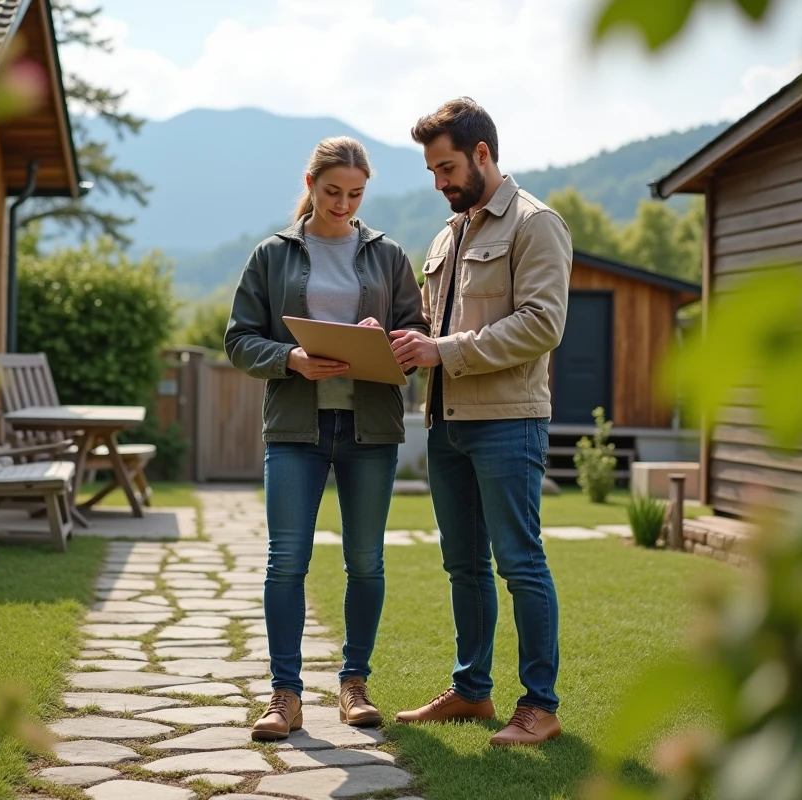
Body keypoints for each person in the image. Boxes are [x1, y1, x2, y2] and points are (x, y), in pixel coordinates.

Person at [225, 136, 428, 741]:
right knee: (286, 559)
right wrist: (290, 358)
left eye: (356, 194)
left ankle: (354, 684)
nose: (344, 204)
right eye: (333, 191)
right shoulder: (272, 254)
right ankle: (284, 696)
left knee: (365, 559)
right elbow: (238, 339)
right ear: (310, 185)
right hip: (295, 429)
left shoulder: (386, 255)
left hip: (369, 428)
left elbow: (415, 334)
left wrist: (385, 335)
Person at [389, 98, 573, 747]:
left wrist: (445, 351)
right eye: (433, 170)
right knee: (462, 565)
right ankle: (472, 692)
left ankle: (540, 706)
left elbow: (542, 323)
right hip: (446, 422)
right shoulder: (447, 236)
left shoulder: (536, 223)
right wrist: (404, 342)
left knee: (519, 563)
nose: (439, 182)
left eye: (446, 167)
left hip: (507, 422)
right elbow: (437, 328)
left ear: (483, 154)